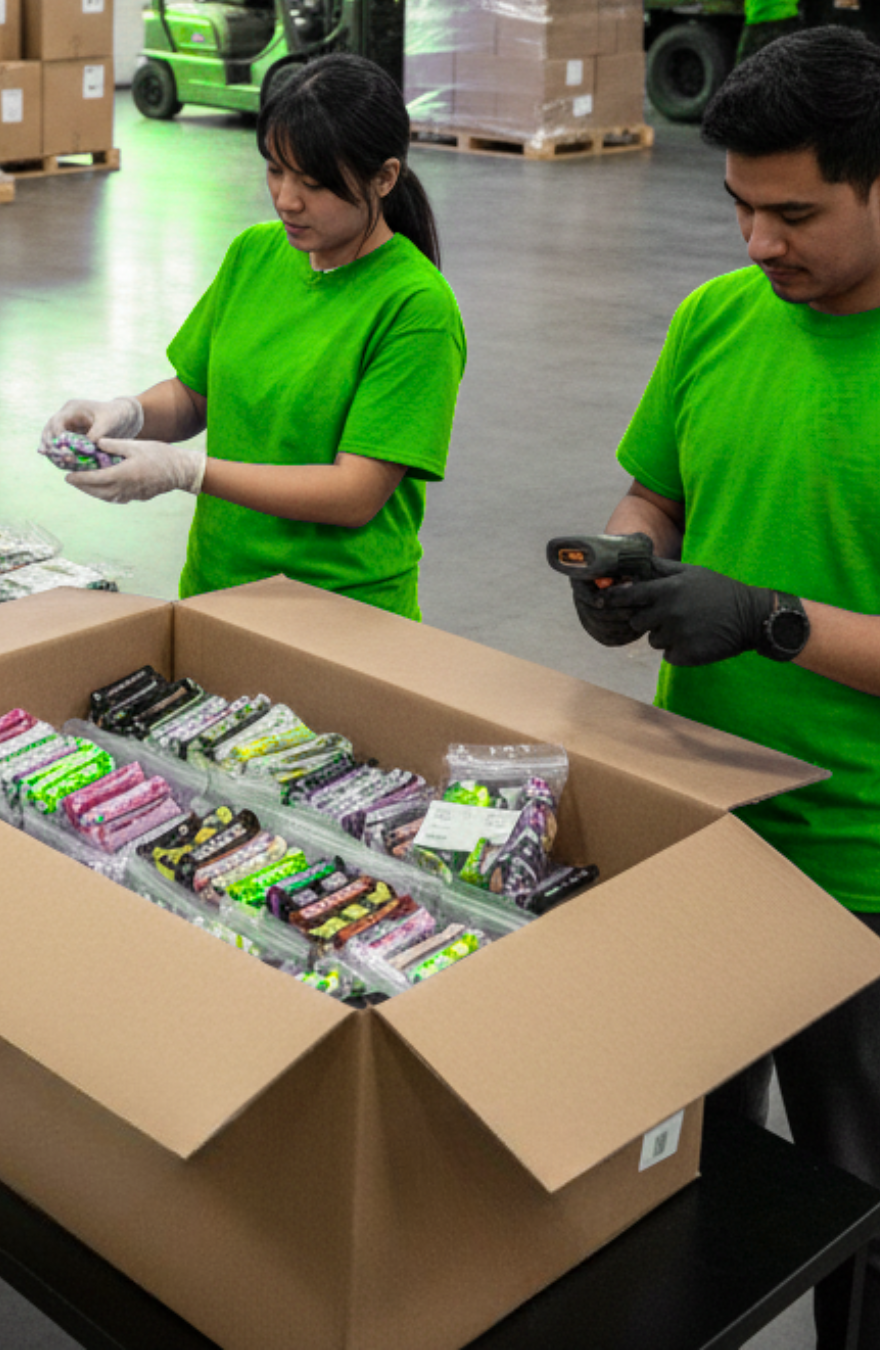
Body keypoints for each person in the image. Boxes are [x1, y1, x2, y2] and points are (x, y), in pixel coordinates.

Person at [560, 27, 880, 1349]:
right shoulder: (714, 316)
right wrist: (631, 563)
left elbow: (777, 615)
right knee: (696, 1172)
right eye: (740, 207)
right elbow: (659, 490)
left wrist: (772, 620)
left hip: (861, 865)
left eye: (795, 212)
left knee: (856, 1191)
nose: (759, 243)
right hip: (702, 830)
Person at [39, 53, 466, 622]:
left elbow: (355, 493)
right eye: (275, 169)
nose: (286, 198)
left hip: (338, 613)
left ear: (384, 178)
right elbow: (196, 395)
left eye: (314, 183)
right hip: (217, 589)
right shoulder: (256, 253)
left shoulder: (415, 306)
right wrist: (126, 414)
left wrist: (188, 472)